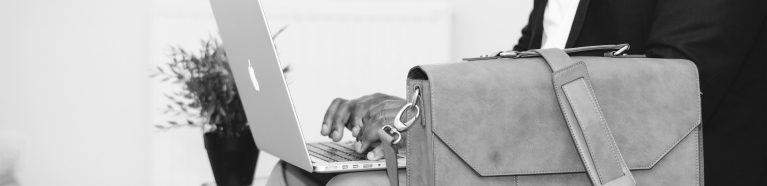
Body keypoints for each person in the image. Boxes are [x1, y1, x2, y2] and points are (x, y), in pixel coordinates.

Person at [267, 0, 766, 184]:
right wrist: (420, 115)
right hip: (546, 149)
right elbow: (526, 64)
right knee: (292, 171)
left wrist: (437, 117)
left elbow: (668, 96)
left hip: (629, 165)